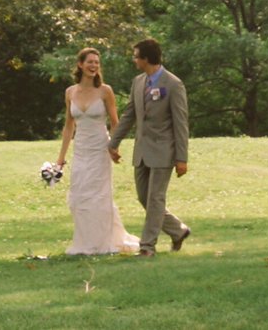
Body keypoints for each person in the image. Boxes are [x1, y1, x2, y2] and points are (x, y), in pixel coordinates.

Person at [108, 38, 190, 257]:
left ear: (146, 58)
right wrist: (113, 143)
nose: (134, 60)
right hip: (141, 152)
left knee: (155, 199)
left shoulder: (173, 84)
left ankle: (147, 246)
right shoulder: (138, 82)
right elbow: (129, 115)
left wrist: (182, 158)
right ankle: (178, 230)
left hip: (164, 151)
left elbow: (181, 123)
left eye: (136, 57)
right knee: (144, 198)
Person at [56, 47, 140, 255]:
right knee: (79, 196)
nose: (93, 66)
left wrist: (114, 147)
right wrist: (60, 159)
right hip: (81, 149)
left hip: (100, 149)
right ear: (80, 64)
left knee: (98, 196)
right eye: (90, 62)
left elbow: (115, 122)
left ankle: (102, 243)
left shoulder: (105, 91)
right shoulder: (70, 92)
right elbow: (69, 127)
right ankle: (85, 241)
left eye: (96, 62)